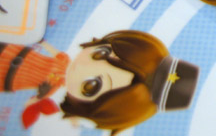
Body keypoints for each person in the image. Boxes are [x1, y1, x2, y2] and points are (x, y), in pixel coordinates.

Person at [1, 29, 199, 134]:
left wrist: (40, 97)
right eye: (101, 53)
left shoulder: (52, 88)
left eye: (91, 86)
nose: (83, 67)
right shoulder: (61, 61)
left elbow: (30, 107)